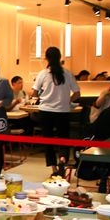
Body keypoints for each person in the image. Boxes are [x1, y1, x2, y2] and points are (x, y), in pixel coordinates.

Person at [30, 46, 80, 177]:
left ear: (46, 58)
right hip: (63, 111)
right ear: (60, 57)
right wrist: (67, 101)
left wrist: (40, 96)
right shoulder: (67, 73)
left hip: (46, 111)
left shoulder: (42, 74)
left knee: (48, 140)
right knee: (63, 138)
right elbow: (77, 94)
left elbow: (34, 93)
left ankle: (54, 169)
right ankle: (62, 160)